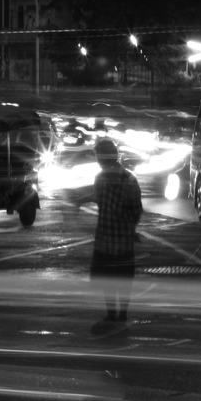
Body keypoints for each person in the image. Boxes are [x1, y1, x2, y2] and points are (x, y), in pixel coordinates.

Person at [89, 138, 143, 336]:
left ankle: (111, 313)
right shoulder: (129, 178)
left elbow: (101, 205)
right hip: (124, 239)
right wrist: (130, 227)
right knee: (124, 277)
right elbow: (137, 210)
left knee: (106, 277)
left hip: (105, 237)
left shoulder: (100, 179)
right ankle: (122, 314)